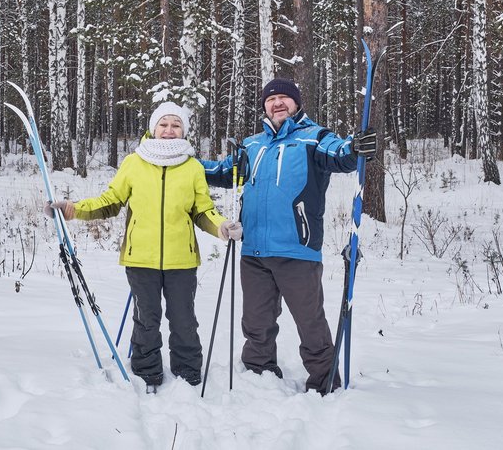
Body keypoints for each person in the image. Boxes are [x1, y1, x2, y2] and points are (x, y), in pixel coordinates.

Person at [46, 102, 243, 393]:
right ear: (153, 129)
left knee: (183, 319)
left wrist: (222, 226)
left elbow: (202, 211)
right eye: (163, 124)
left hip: (182, 260)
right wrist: (73, 209)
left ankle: (188, 371)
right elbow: (110, 201)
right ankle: (147, 371)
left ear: (184, 131)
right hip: (141, 259)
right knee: (146, 319)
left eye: (175, 125)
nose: (169, 130)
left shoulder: (192, 167)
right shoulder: (134, 163)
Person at [199, 78, 377, 394]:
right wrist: (179, 162)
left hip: (297, 249)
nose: (278, 103)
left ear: (296, 103)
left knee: (310, 324)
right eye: (272, 98)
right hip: (253, 251)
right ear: (264, 105)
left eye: (284, 98)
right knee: (255, 322)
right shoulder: (252, 145)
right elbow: (221, 173)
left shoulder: (314, 137)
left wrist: (354, 147)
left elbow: (341, 155)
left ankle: (324, 382)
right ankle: (258, 373)